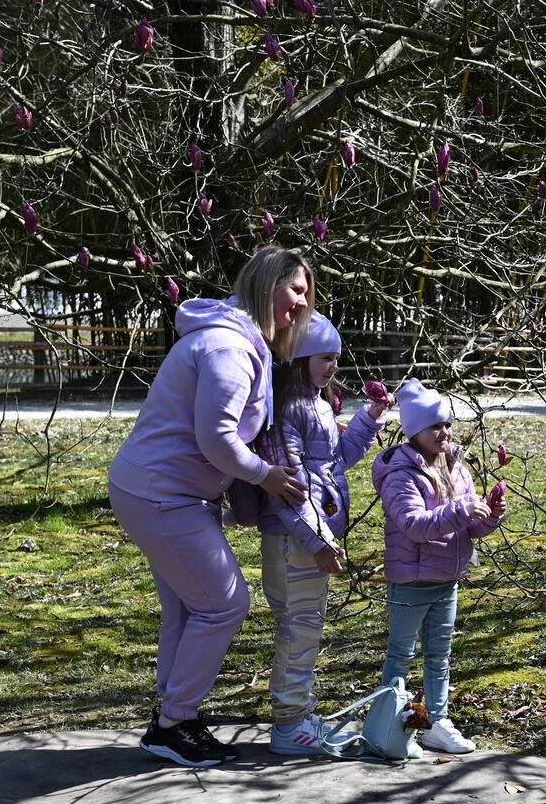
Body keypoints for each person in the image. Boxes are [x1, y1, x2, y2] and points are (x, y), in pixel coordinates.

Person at [108, 245, 313, 767]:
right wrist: (266, 476)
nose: (302, 301)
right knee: (223, 603)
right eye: (296, 288)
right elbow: (216, 437)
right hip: (161, 494)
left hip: (163, 491)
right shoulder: (229, 348)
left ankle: (174, 716)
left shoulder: (239, 342)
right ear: (268, 284)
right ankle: (174, 722)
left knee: (186, 605)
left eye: (306, 293)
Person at [256, 314, 390, 755]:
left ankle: (296, 713)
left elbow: (334, 463)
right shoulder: (288, 409)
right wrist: (319, 540)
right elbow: (289, 487)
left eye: (336, 358)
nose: (333, 366)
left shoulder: (314, 403)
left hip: (309, 539)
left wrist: (369, 419)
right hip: (296, 541)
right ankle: (289, 725)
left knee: (301, 629)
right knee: (299, 630)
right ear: (299, 358)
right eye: (325, 358)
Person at [371, 378, 507, 754]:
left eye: (447, 423)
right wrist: (461, 510)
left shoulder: (456, 467)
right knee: (400, 653)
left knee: (439, 654)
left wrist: (489, 516)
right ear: (415, 430)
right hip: (412, 580)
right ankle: (387, 722)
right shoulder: (401, 475)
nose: (444, 432)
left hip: (448, 578)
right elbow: (414, 526)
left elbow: (470, 526)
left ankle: (439, 722)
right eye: (435, 426)